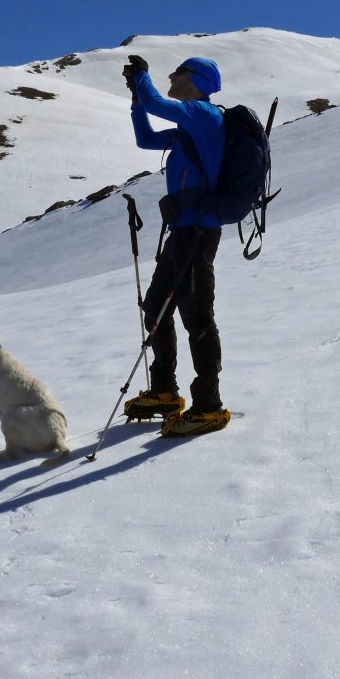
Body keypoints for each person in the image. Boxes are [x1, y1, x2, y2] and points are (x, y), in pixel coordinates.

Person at [121, 53, 232, 435]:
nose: (172, 75)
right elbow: (145, 139)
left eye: (178, 72)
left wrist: (143, 80)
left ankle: (209, 405)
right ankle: (165, 390)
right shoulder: (188, 128)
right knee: (156, 308)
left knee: (197, 315)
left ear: (197, 79)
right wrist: (137, 101)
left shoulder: (203, 114)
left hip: (200, 231)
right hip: (183, 230)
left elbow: (156, 102)